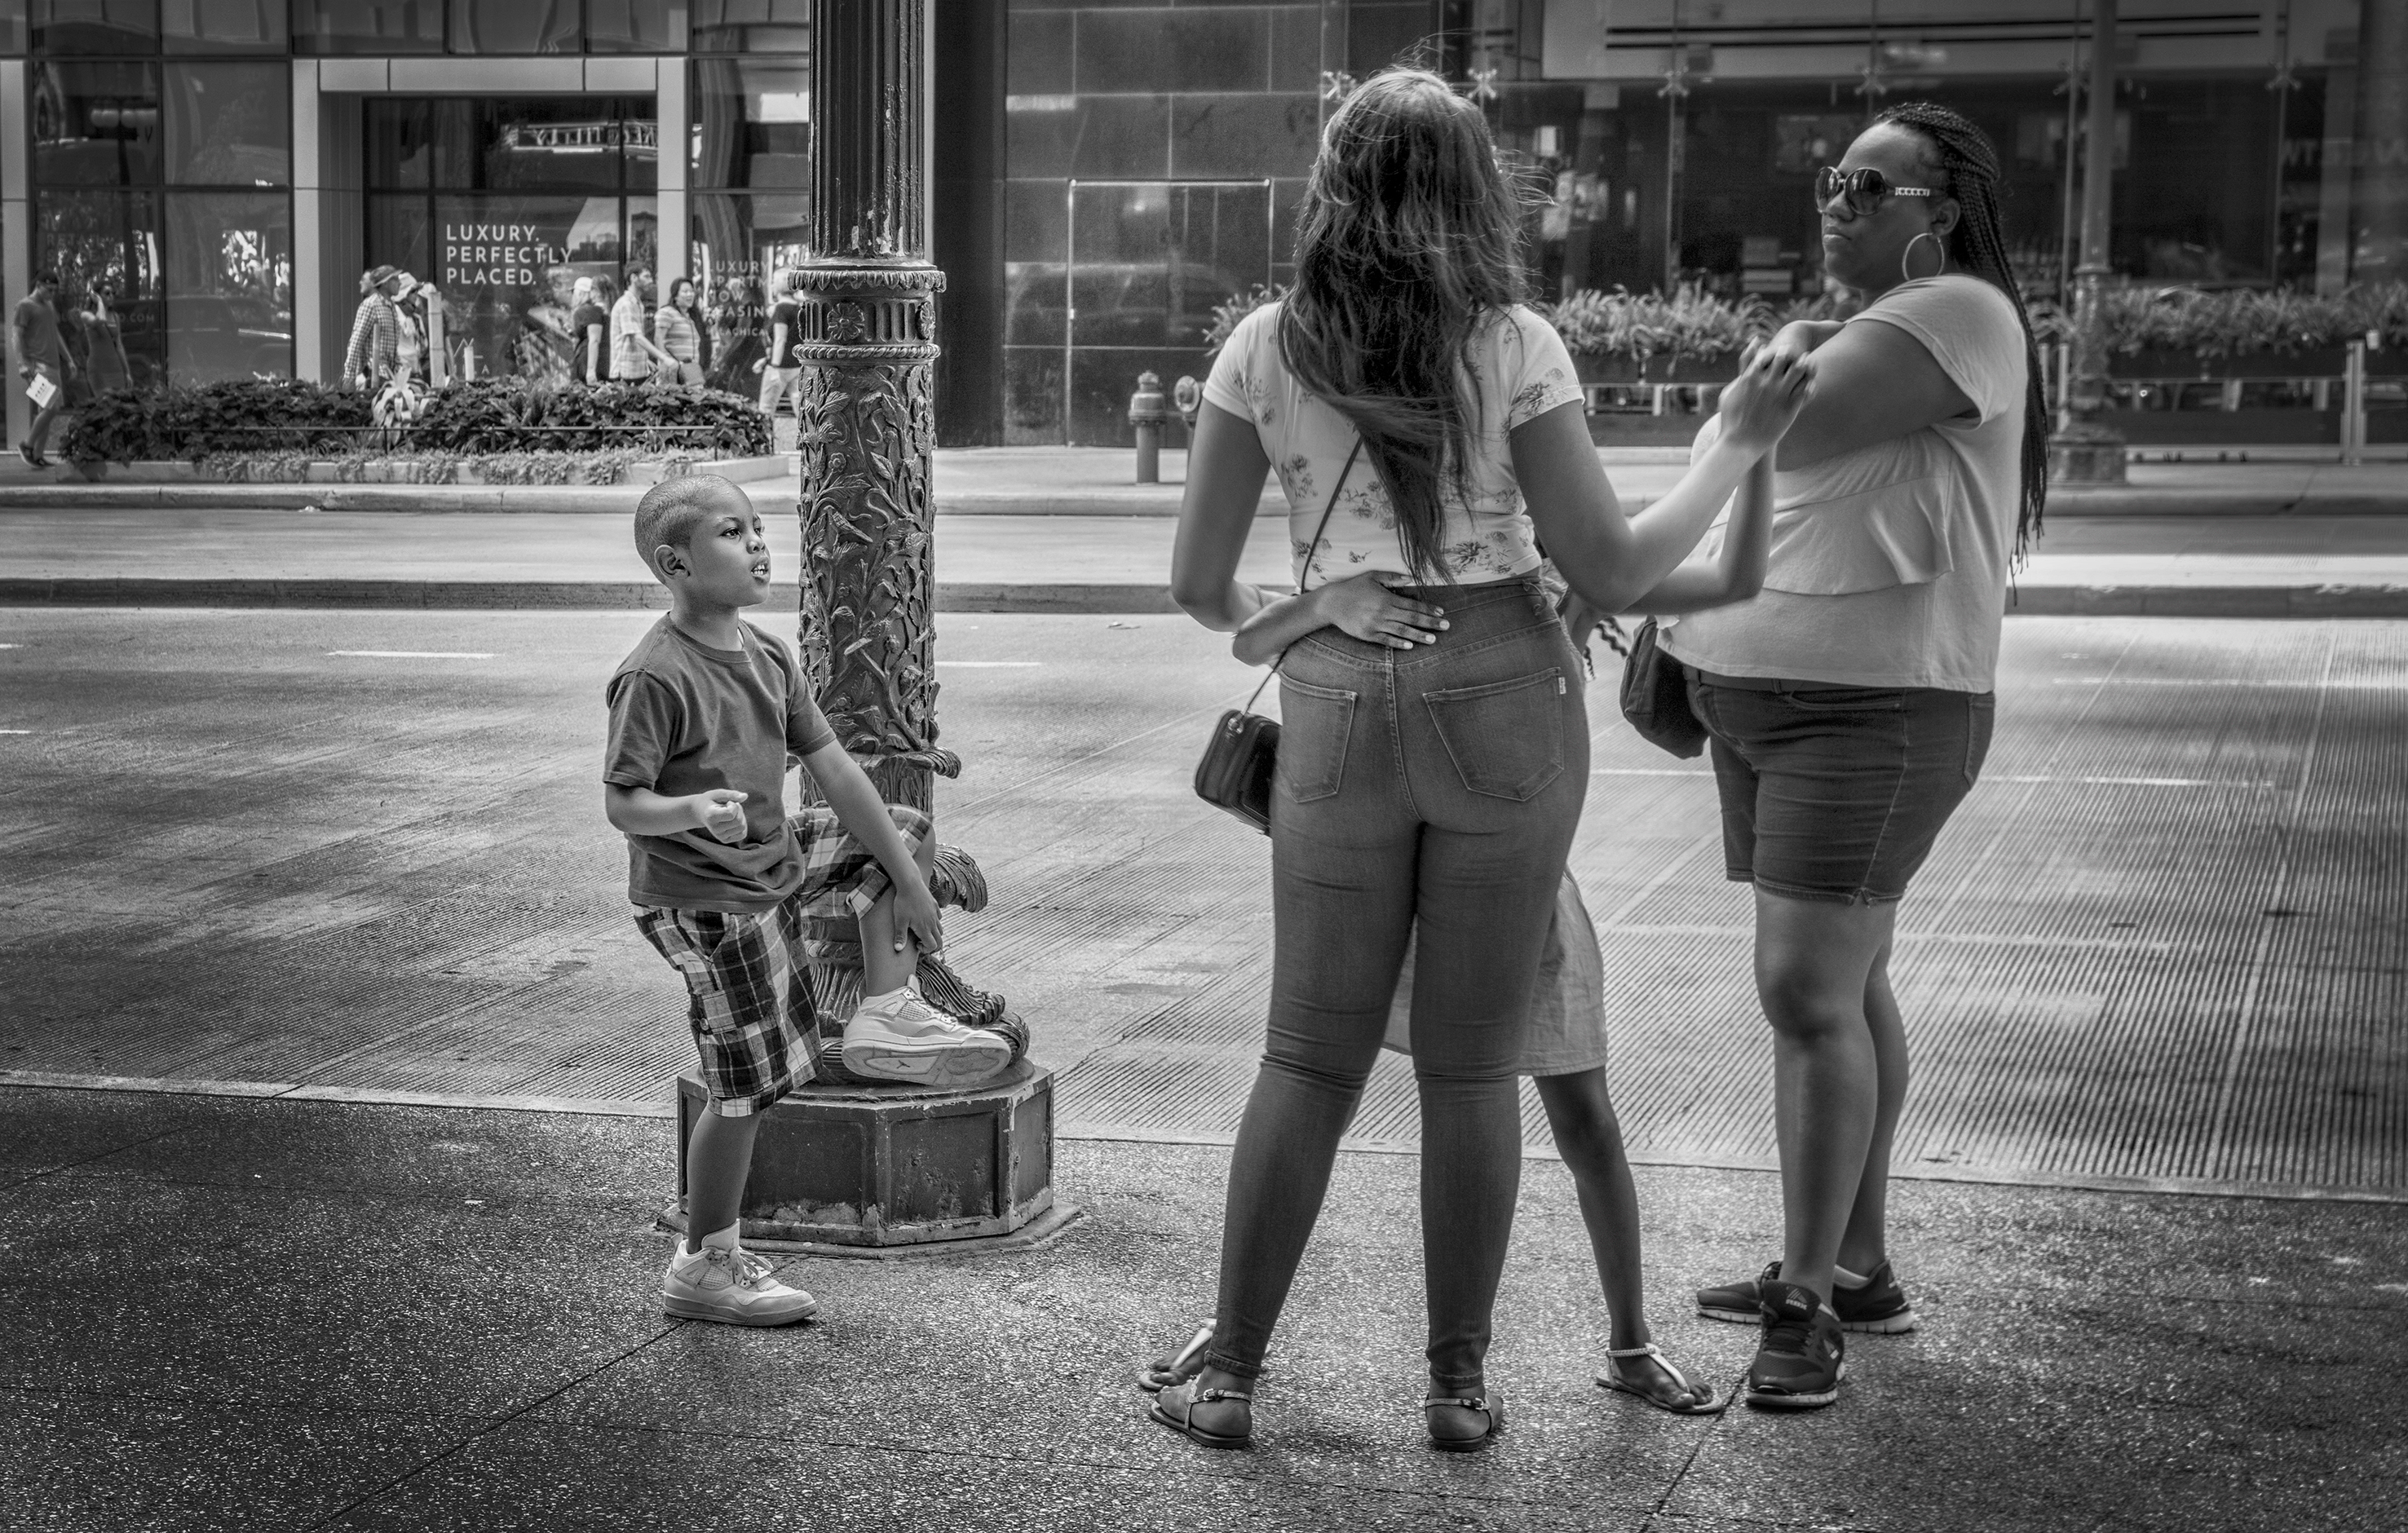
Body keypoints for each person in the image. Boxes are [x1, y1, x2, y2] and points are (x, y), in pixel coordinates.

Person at [1151, 67, 1808, 1453]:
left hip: (1336, 697)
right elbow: (1616, 563)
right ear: (1470, 195)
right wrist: (1733, 442)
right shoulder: (1512, 346)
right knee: (1468, 1068)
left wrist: (1326, 600)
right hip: (1506, 689)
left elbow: (1202, 587)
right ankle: (1455, 1387)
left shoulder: (1262, 349)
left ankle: (1230, 1381)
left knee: (1306, 1056)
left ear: (1332, 185)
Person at [1660, 101, 2049, 1412]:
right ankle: (1858, 1264)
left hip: (1871, 713)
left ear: (1935, 214)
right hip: (1766, 698)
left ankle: (1807, 1306)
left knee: (1802, 993)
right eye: (1831, 179)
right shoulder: (1853, 324)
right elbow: (1752, 436)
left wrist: (1764, 376)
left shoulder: (1961, 313)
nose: (1836, 198)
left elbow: (1785, 429)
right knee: (1850, 978)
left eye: (1868, 185)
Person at [605, 475, 1014, 1324]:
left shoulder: (765, 654)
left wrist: (906, 874)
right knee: (750, 1083)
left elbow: (835, 770)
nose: (757, 543)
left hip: (771, 861)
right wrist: (689, 810)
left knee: (900, 828)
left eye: (758, 527)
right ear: (676, 561)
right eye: (732, 531)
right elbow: (623, 801)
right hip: (706, 898)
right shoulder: (654, 674)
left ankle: (885, 1009)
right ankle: (705, 1259)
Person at [12, 270, 70, 467]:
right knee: (51, 407)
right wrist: (21, 364)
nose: (52, 294)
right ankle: (27, 446)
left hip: (53, 366)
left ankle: (37, 455)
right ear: (38, 285)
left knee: (46, 410)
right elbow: (17, 336)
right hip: (37, 366)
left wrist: (69, 359)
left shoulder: (49, 306)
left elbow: (56, 334)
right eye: (49, 290)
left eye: (55, 291)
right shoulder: (25, 306)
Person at [342, 265, 403, 395]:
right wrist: (349, 376)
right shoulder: (371, 305)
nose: (400, 283)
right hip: (374, 375)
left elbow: (393, 347)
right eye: (396, 279)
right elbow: (356, 341)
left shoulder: (391, 307)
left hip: (390, 376)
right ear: (385, 283)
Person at [612, 267, 675, 385]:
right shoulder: (626, 304)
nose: (650, 281)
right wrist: (663, 358)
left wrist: (646, 361)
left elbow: (633, 340)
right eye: (646, 276)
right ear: (634, 278)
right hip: (626, 372)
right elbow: (636, 337)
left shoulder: (637, 304)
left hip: (636, 371)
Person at [760, 269, 801, 417]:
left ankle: (764, 440)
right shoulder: (799, 308)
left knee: (765, 410)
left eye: (773, 282)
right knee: (802, 412)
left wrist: (774, 365)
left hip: (781, 366)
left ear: (779, 285)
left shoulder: (781, 309)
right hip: (797, 366)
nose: (771, 285)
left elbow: (780, 338)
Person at [656, 277, 706, 387]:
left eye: (692, 291)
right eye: (685, 291)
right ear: (675, 296)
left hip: (690, 374)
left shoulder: (690, 317)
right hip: (673, 374)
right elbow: (658, 339)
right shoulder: (667, 312)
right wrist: (665, 361)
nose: (690, 295)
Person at [572, 276, 612, 387]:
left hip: (588, 359)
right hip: (606, 361)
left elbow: (594, 340)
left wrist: (590, 370)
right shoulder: (608, 311)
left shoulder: (588, 311)